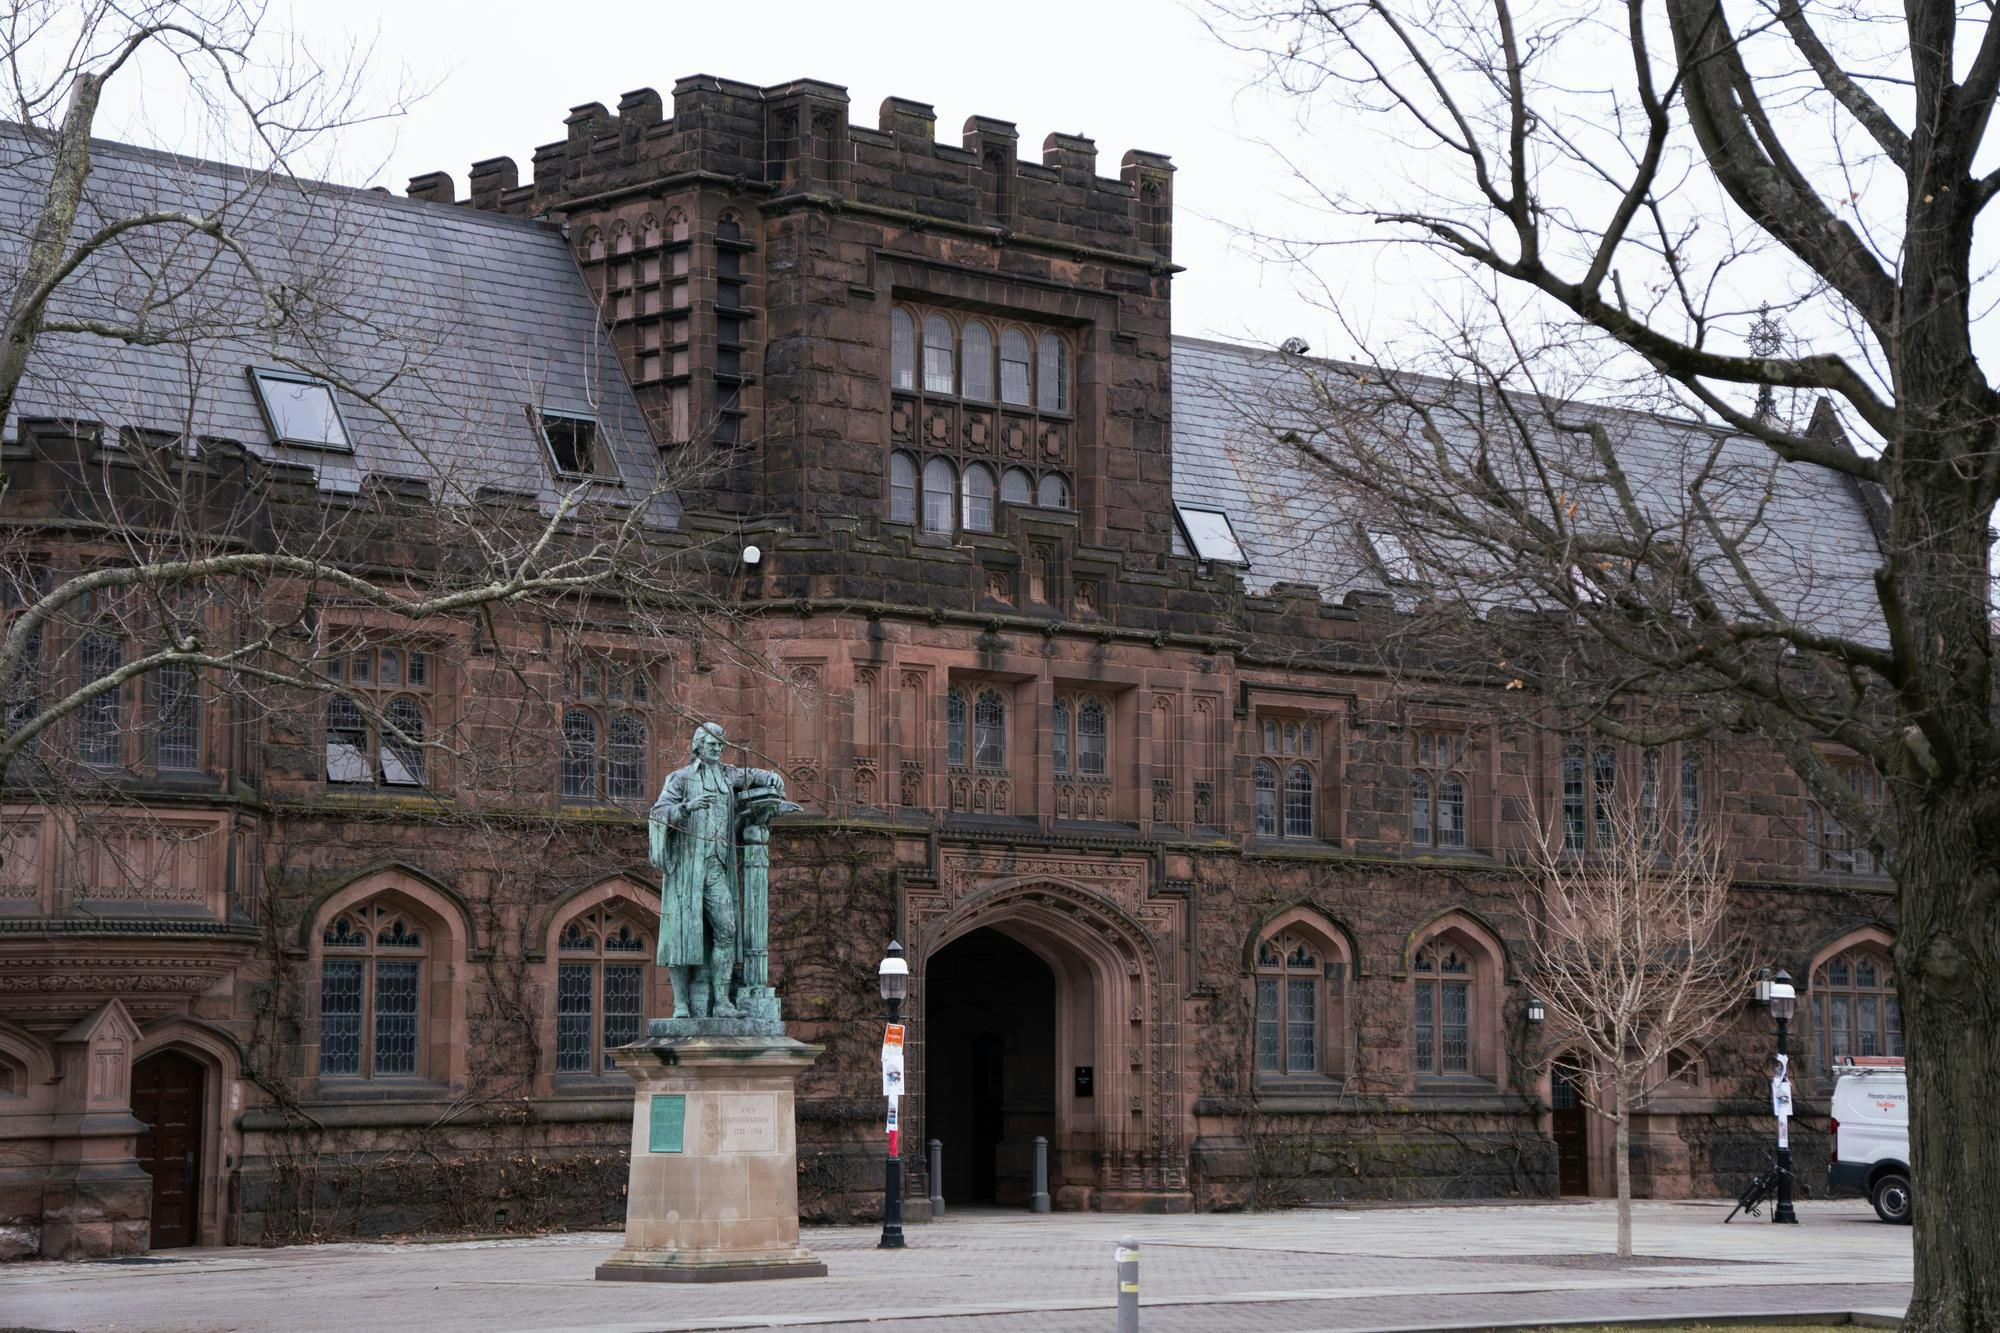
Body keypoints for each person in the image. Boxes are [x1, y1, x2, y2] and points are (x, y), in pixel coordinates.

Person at [649, 722, 785, 1018]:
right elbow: (658, 813)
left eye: (721, 744)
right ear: (697, 746)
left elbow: (754, 775)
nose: (718, 748)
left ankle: (722, 1001)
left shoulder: (728, 774)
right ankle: (681, 1005)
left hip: (716, 868)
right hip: (688, 869)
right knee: (682, 934)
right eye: (712, 744)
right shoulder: (681, 779)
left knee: (727, 929)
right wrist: (686, 808)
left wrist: (772, 777)